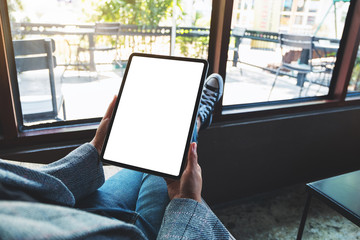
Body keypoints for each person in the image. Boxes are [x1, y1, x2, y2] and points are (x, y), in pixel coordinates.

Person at [0, 73, 234, 239]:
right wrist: (187, 202)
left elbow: (21, 188)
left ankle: (193, 119)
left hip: (73, 214)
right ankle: (196, 118)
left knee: (158, 155)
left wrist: (96, 148)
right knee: (169, 155)